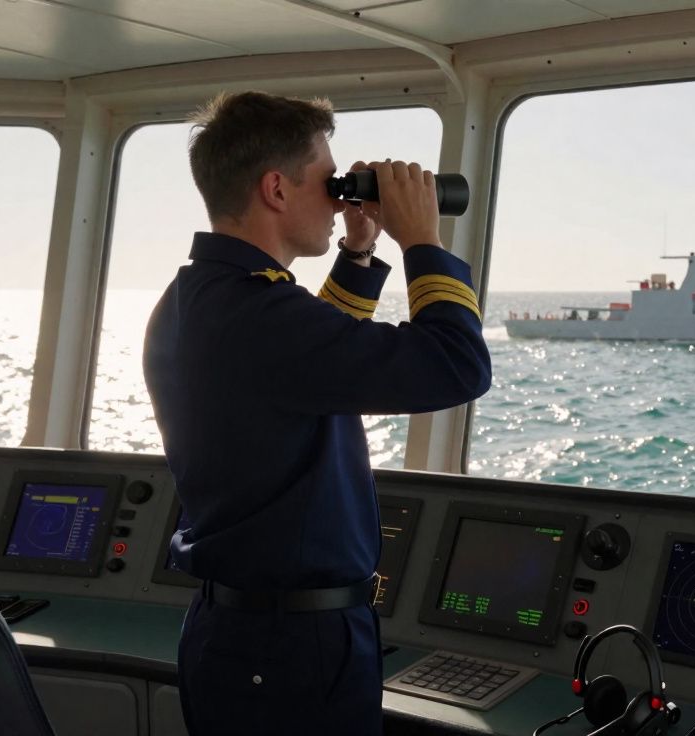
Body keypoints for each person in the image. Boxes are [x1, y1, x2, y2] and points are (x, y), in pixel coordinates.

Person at [142, 91, 490, 735]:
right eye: (328, 180)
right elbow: (458, 366)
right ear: (276, 188)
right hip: (290, 650)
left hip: (249, 636)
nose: (338, 198)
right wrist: (421, 240)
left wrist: (358, 252)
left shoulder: (203, 295)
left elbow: (312, 367)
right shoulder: (260, 315)